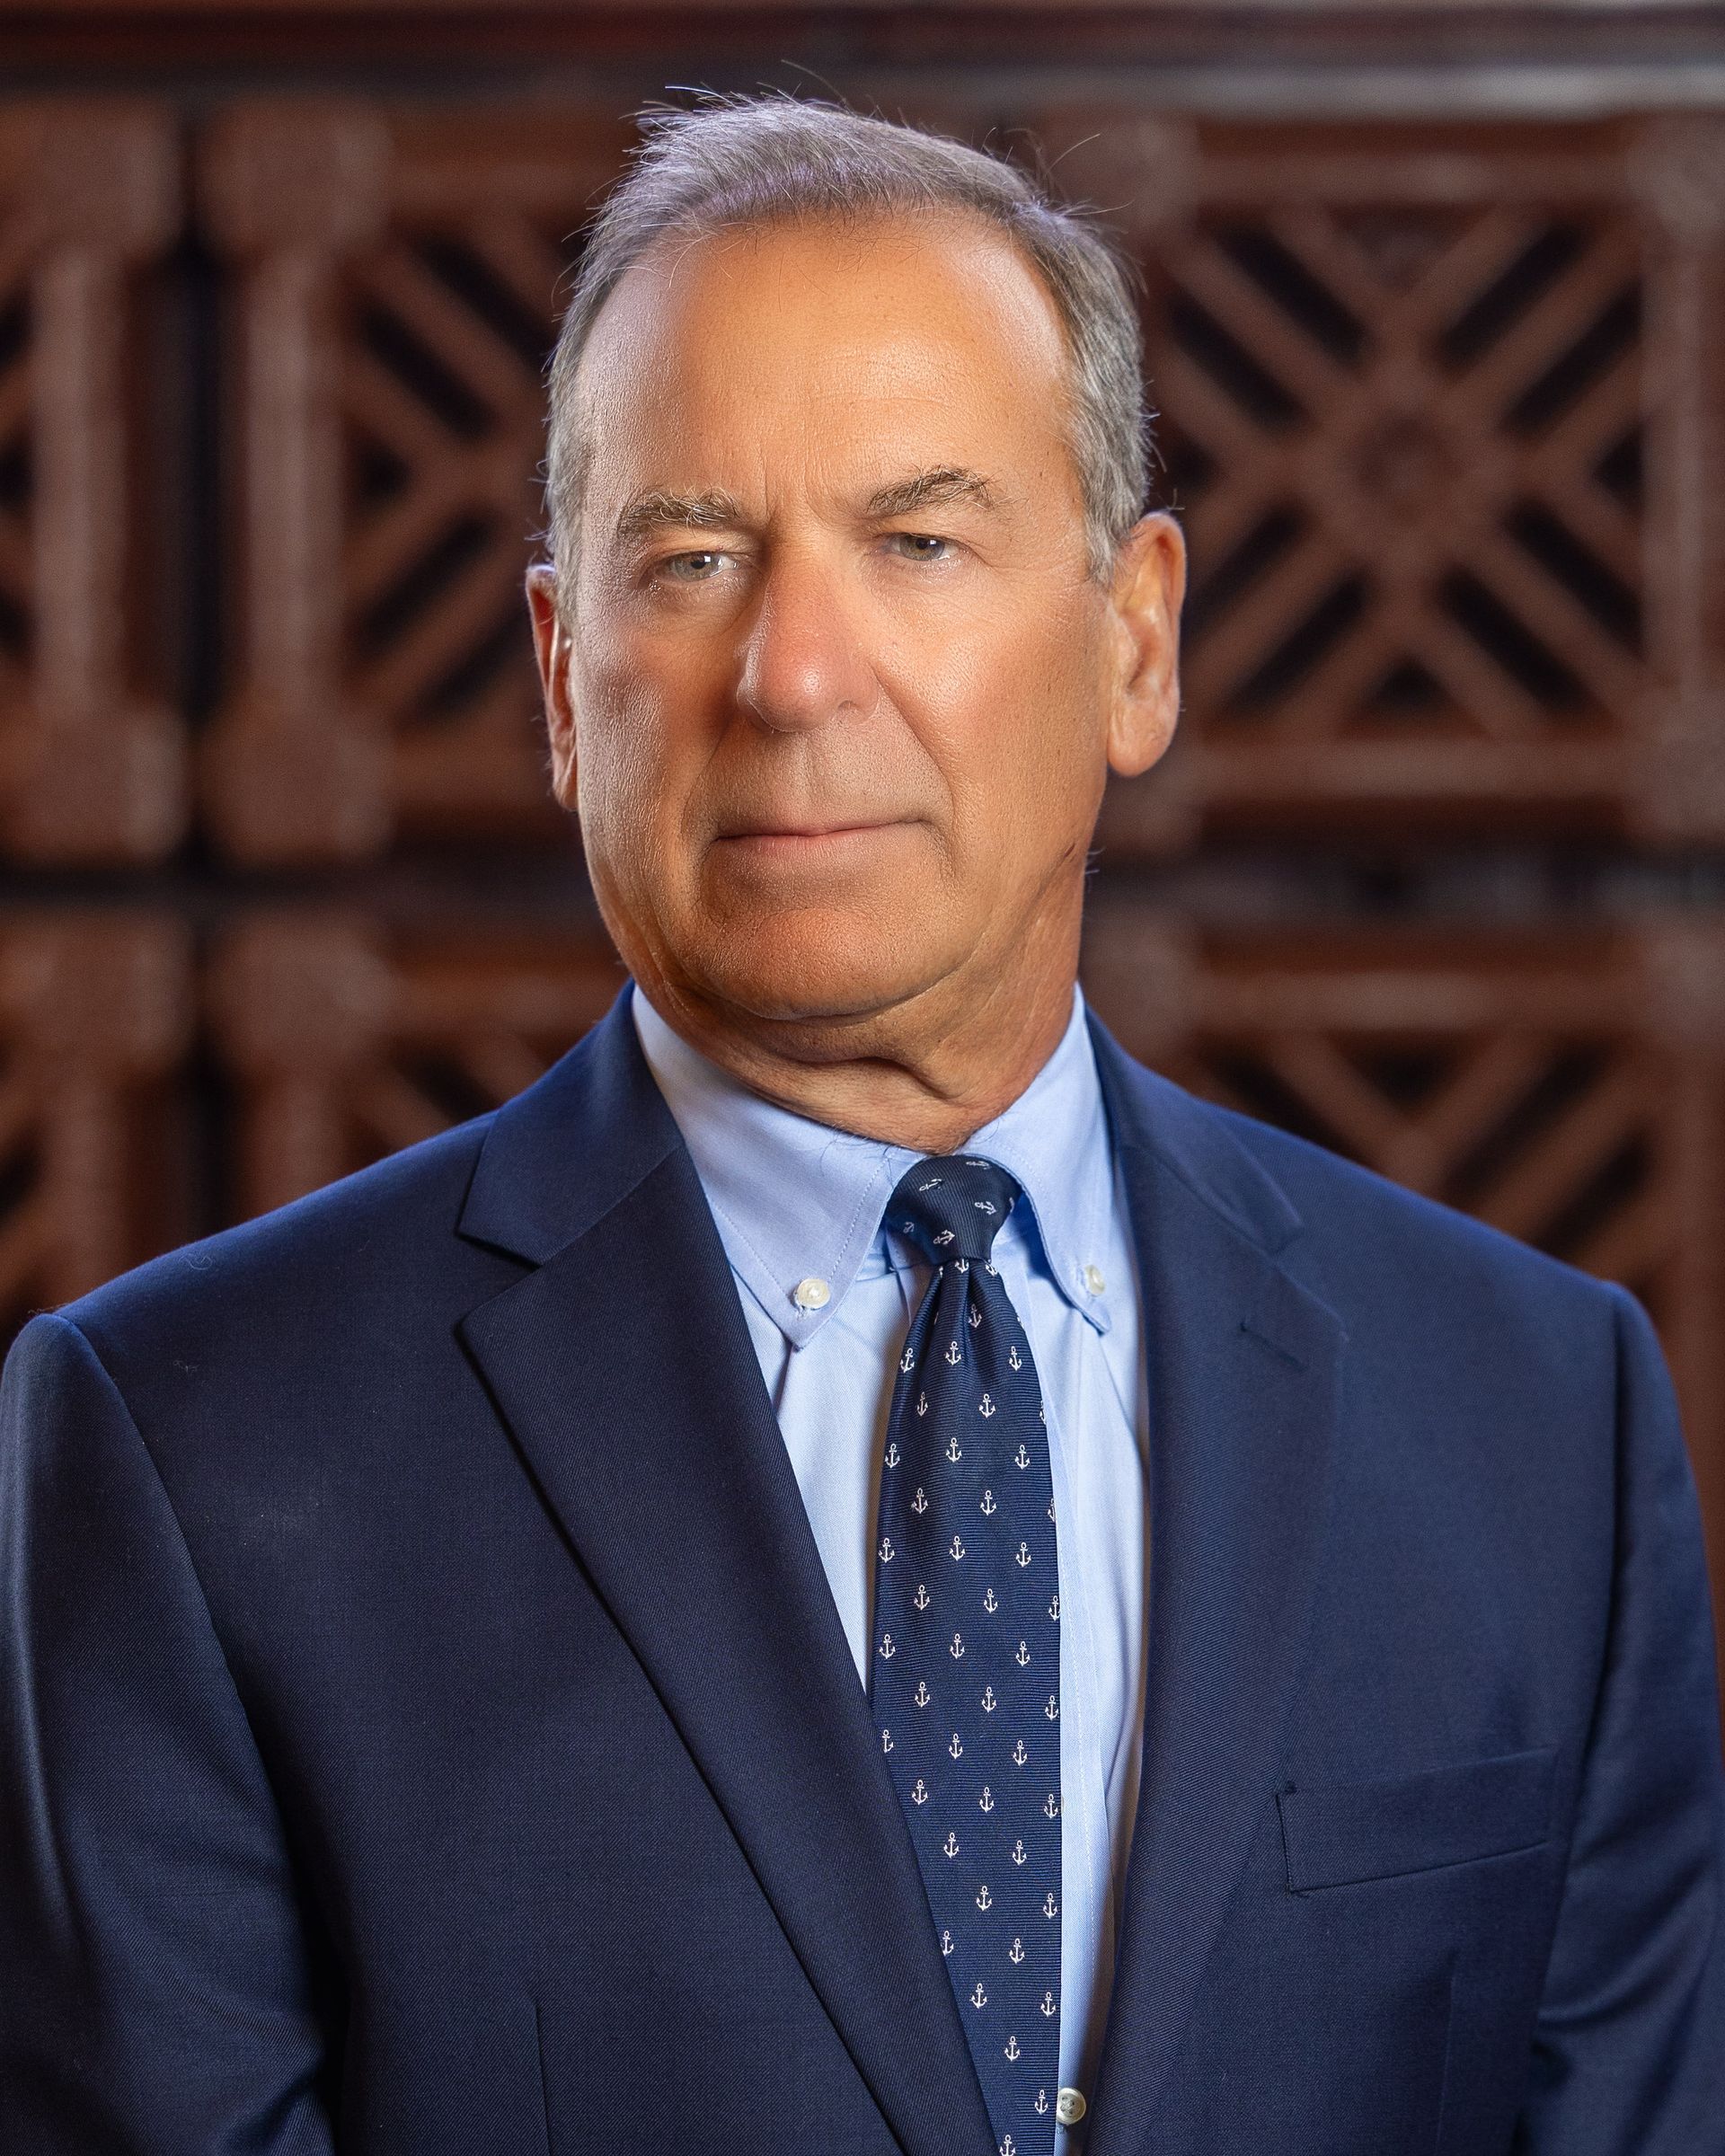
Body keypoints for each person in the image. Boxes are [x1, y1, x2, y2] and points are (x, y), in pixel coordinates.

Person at [2, 94, 1721, 2156]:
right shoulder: (187, 1442)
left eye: (917, 540)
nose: (797, 672)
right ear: (562, 683)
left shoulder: (1538, 1415)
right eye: (696, 558)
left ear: (1135, 641)